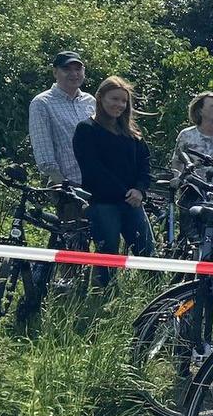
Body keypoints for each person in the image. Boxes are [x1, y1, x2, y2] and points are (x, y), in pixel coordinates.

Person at [72, 76, 155, 286]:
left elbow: (145, 164)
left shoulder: (132, 133)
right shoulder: (86, 130)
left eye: (123, 101)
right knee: (108, 254)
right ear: (100, 98)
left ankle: (157, 296)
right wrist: (125, 193)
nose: (119, 105)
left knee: (147, 251)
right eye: (114, 99)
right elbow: (93, 170)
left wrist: (139, 190)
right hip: (103, 204)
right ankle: (105, 299)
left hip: (133, 202)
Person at [28, 51, 93, 186]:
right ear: (55, 72)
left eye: (77, 69)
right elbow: (43, 148)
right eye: (66, 69)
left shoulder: (90, 101)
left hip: (99, 181)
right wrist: (63, 185)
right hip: (68, 184)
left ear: (84, 71)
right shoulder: (42, 103)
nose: (74, 74)